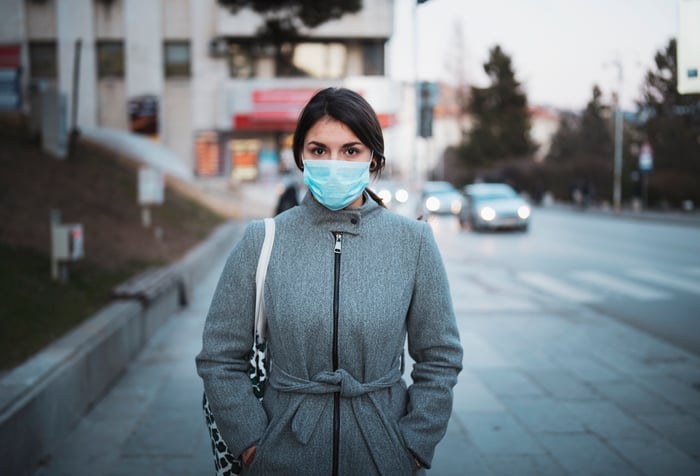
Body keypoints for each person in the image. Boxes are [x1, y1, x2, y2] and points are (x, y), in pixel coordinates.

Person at [196, 87, 463, 475]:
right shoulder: (262, 239)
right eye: (319, 150)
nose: (333, 162)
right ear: (301, 156)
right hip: (282, 455)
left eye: (350, 150)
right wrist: (253, 445)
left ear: (373, 157)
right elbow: (219, 356)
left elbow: (441, 356)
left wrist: (414, 445)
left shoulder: (413, 243)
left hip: (383, 456)